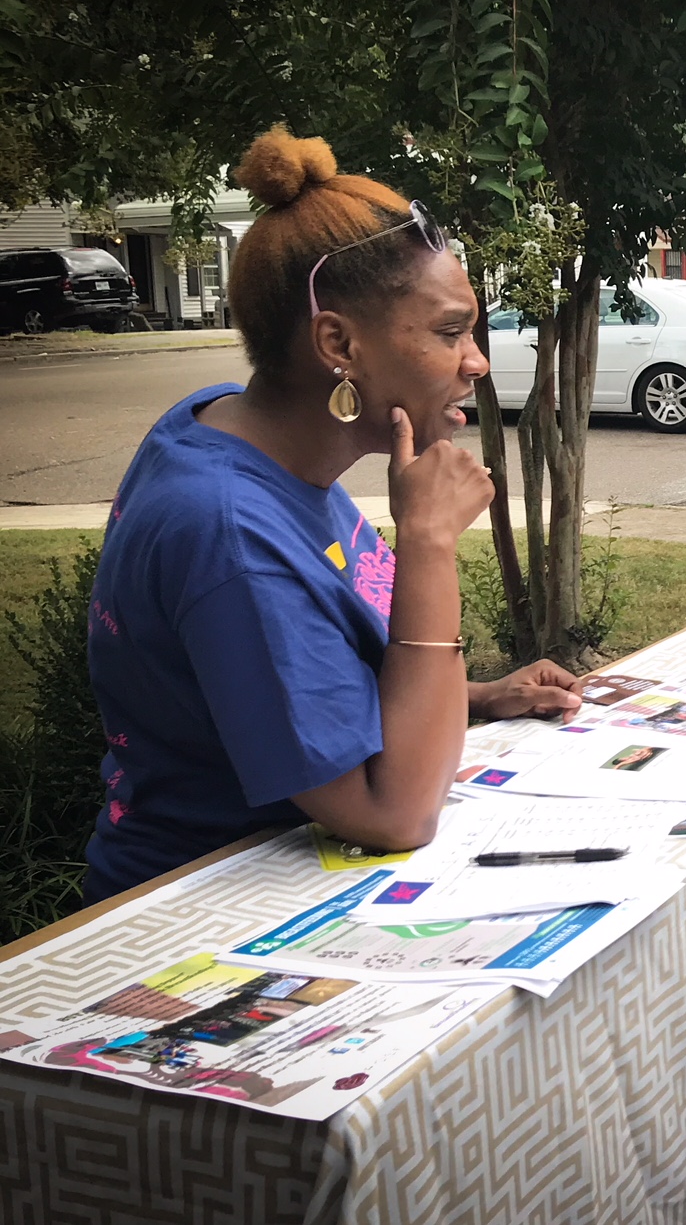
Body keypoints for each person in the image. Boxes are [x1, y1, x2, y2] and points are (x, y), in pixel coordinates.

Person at [83, 127, 583, 903]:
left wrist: (475, 696)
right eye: (450, 332)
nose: (476, 361)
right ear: (338, 342)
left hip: (293, 881)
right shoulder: (226, 529)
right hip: (211, 913)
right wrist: (427, 542)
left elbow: (291, 674)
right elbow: (396, 811)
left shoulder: (232, 430)